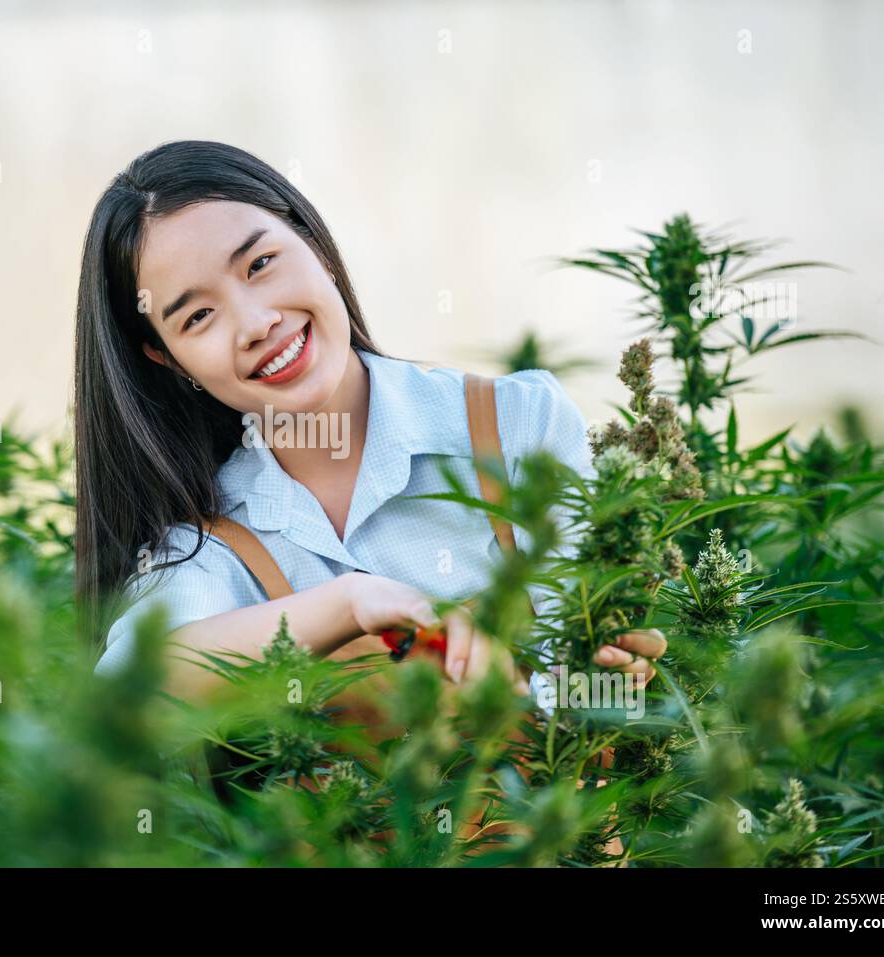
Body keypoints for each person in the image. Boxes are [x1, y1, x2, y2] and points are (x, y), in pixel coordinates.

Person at [74, 139, 666, 707]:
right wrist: (348, 606)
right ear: (167, 358)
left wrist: (600, 681)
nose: (256, 322)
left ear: (317, 247)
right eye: (199, 315)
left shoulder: (517, 424)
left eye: (260, 263)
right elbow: (125, 696)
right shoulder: (214, 538)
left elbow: (599, 692)